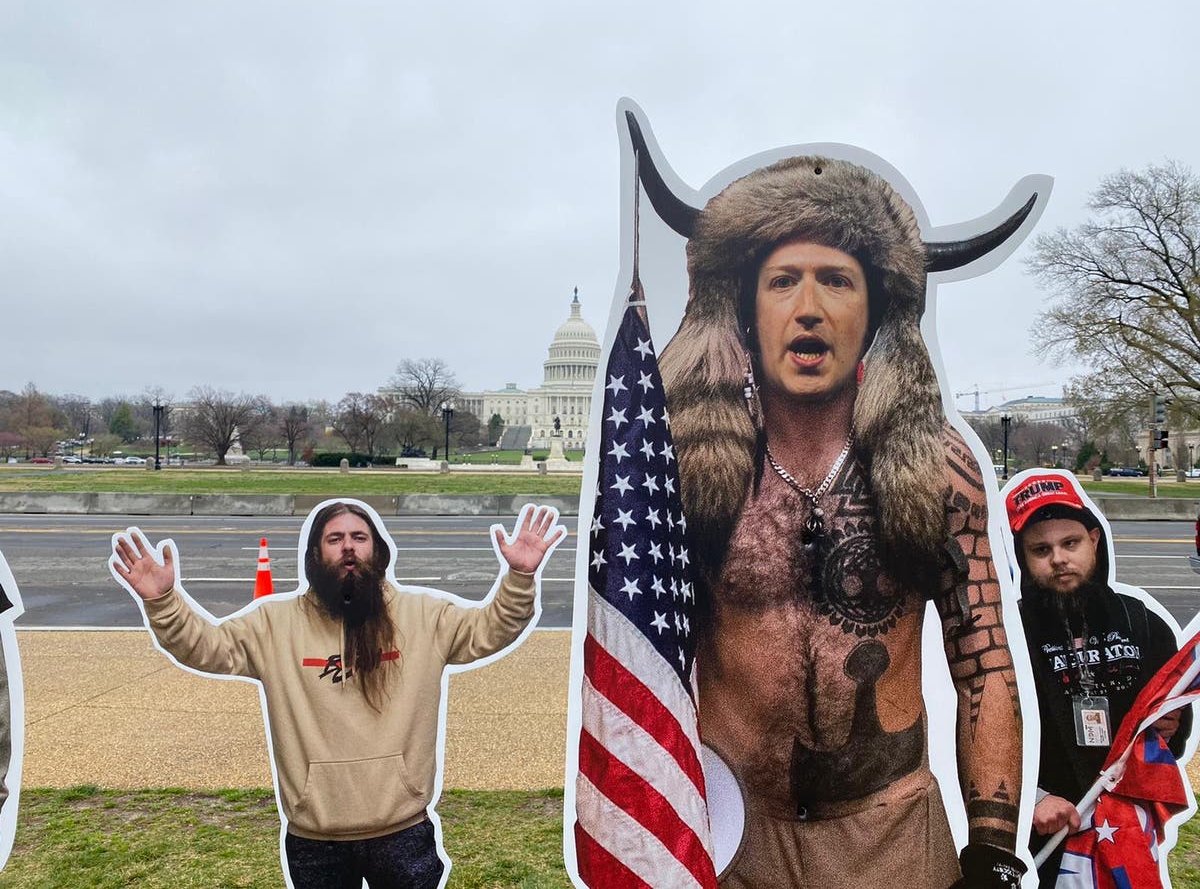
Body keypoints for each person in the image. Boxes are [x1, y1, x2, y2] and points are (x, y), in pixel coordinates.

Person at [629, 133, 1036, 888]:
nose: (809, 309)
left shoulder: (936, 468)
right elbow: (637, 646)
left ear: (874, 310)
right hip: (734, 834)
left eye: (837, 282)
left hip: (893, 837)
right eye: (783, 281)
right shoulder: (685, 467)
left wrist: (991, 849)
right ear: (746, 308)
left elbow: (982, 659)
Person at [109, 499, 565, 889]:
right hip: (316, 836)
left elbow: (491, 629)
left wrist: (519, 576)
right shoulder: (273, 625)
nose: (349, 547)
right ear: (314, 554)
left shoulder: (424, 616)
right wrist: (164, 602)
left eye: (359, 537)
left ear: (378, 550)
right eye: (335, 539)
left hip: (402, 829)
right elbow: (206, 647)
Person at [1004, 472, 1190, 887]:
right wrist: (1033, 798)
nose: (1058, 559)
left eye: (1070, 543)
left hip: (1126, 831)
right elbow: (981, 733)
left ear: (1093, 540)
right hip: (1044, 837)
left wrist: (1171, 728)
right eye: (1041, 549)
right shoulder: (1007, 635)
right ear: (1023, 557)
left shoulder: (1143, 623)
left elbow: (1174, 729)